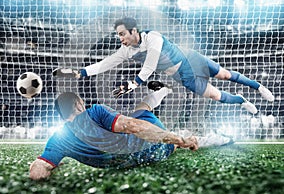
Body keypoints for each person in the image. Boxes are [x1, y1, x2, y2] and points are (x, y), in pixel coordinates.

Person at [53, 17, 274, 114]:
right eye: (118, 35)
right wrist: (79, 73)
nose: (120, 38)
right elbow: (104, 64)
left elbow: (150, 66)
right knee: (216, 96)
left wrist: (134, 83)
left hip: (190, 59)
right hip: (182, 76)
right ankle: (241, 100)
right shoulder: (126, 51)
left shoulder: (153, 37)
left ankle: (258, 87)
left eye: (122, 34)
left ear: (134, 31)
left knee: (225, 75)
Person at [29, 82, 199, 181]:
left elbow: (36, 171)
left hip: (142, 159)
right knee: (140, 112)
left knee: (163, 143)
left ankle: (179, 139)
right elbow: (134, 126)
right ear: (78, 104)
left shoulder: (59, 140)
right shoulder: (94, 112)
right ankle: (163, 91)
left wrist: (51, 169)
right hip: (151, 148)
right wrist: (179, 140)